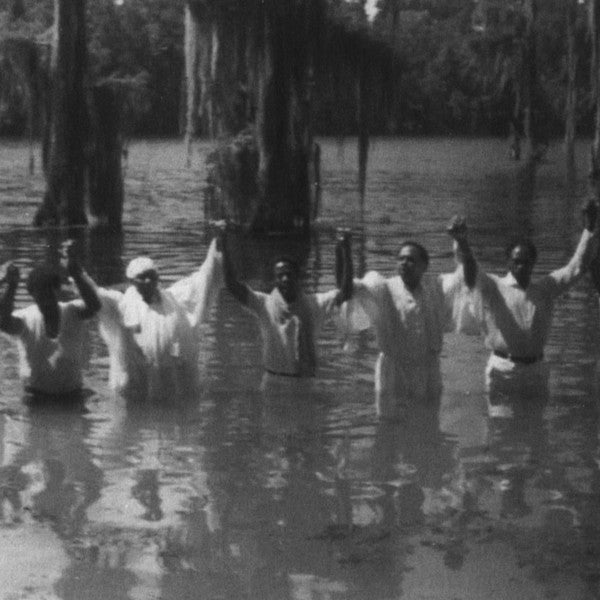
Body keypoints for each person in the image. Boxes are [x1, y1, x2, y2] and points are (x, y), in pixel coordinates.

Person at [465, 200, 597, 418]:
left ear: (534, 262)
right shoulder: (494, 286)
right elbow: (471, 274)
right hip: (502, 369)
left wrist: (589, 229)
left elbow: (577, 267)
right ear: (508, 262)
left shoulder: (546, 288)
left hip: (536, 370)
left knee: (537, 431)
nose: (521, 266)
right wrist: (463, 243)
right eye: (516, 261)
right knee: (501, 434)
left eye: (526, 262)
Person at [341, 217, 477, 420]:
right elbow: (347, 290)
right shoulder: (382, 287)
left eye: (411, 260)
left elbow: (468, 278)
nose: (405, 263)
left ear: (424, 266)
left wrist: (462, 241)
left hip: (428, 370)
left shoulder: (436, 287)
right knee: (390, 428)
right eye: (401, 259)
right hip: (393, 372)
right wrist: (344, 252)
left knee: (428, 426)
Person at [220, 225, 353, 389]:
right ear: (274, 280)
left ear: (298, 277)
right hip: (273, 383)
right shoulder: (263, 304)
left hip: (305, 384)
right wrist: (224, 244)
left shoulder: (315, 304)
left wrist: (345, 250)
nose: (285, 279)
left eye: (289, 274)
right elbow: (232, 285)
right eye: (280, 275)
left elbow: (346, 292)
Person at [95, 236, 224, 400]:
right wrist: (77, 274)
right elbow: (96, 298)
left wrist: (217, 245)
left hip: (174, 387)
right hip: (135, 391)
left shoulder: (175, 300)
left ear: (157, 278)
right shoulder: (122, 306)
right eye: (142, 277)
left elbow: (205, 279)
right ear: (132, 282)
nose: (148, 281)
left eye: (152, 276)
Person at [0, 246, 101, 397]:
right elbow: (4, 323)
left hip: (72, 394)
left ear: (58, 290)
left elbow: (95, 306)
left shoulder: (73, 311)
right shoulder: (26, 318)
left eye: (49, 294)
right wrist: (12, 286)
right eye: (40, 296)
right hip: (36, 397)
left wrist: (76, 273)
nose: (45, 300)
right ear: (32, 295)